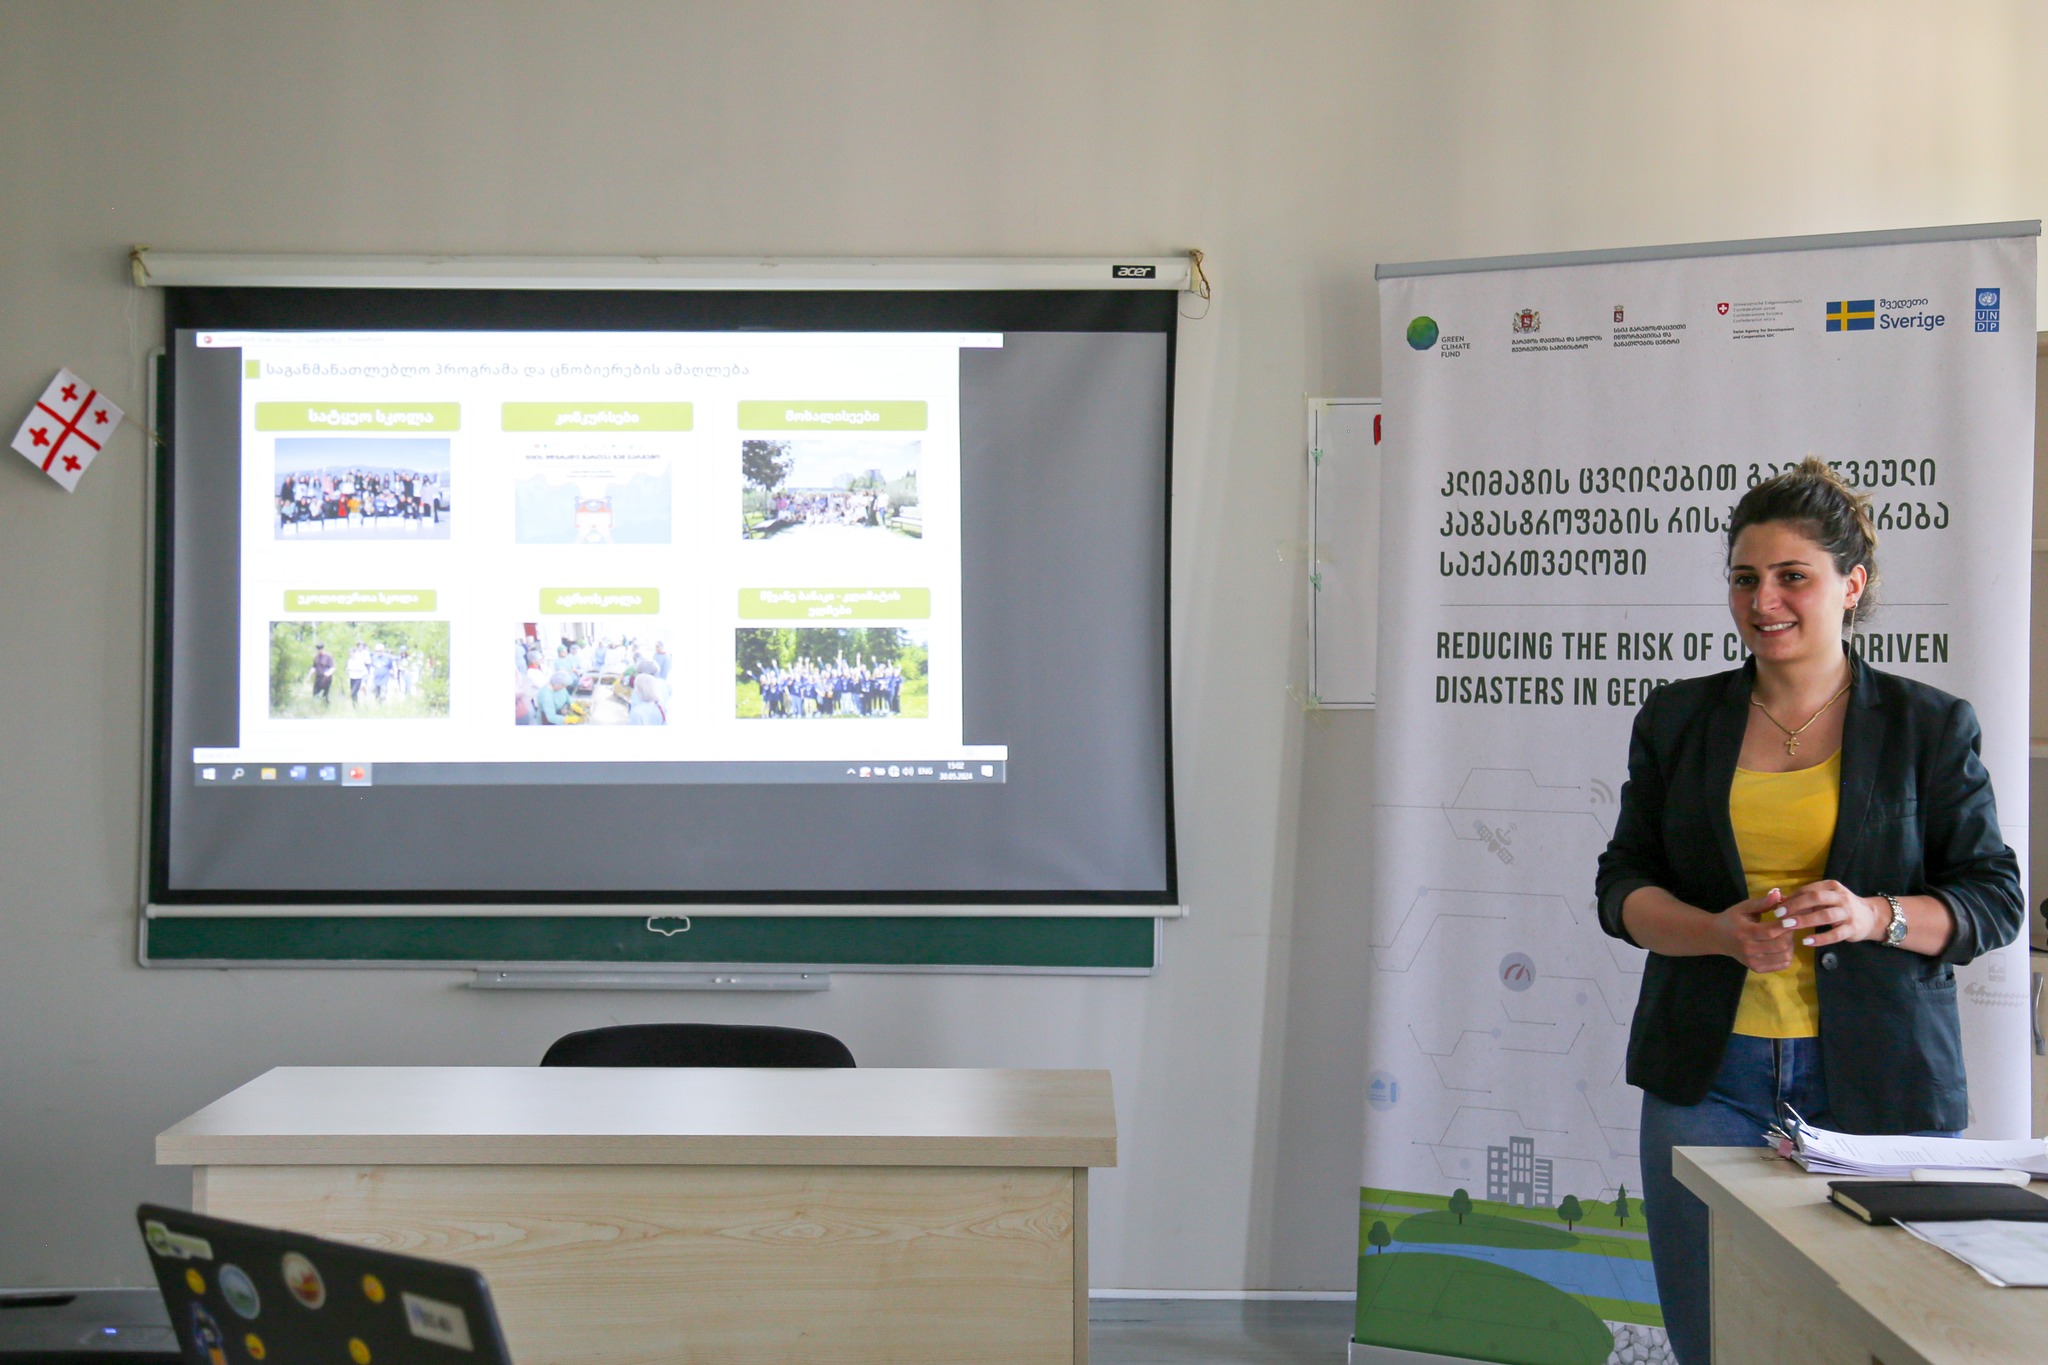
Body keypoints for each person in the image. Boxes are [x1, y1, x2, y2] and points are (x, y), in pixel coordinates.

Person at [1594, 458, 2022, 1365]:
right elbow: (1621, 887)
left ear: (1851, 584)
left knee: (1877, 1336)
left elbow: (1993, 898)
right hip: (1708, 1077)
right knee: (1714, 1337)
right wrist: (1717, 932)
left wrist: (1874, 916)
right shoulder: (1676, 719)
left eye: (1793, 575)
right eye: (1745, 578)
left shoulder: (1928, 725)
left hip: (1882, 1081)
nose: (1764, 601)